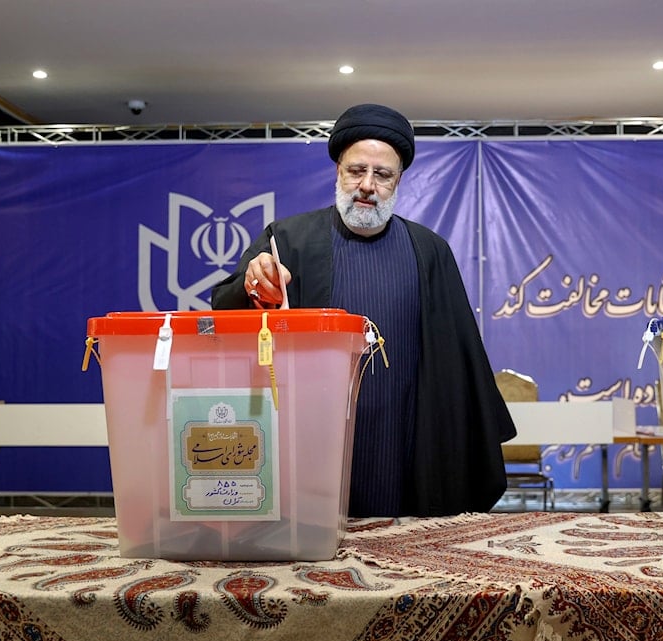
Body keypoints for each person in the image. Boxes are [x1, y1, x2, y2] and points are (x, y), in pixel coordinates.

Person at [211, 103, 515, 518]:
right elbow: (226, 310)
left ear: (398, 181)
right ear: (338, 171)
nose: (367, 185)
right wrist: (253, 284)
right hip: (309, 436)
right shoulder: (289, 239)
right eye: (356, 171)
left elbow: (459, 364)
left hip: (405, 440)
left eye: (382, 175)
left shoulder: (429, 252)